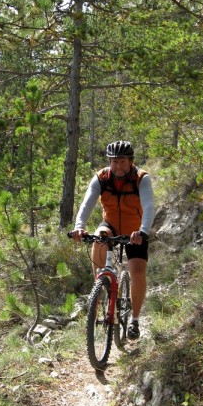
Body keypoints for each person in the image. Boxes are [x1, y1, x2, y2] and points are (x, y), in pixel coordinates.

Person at [70, 140, 155, 340]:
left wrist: (143, 231)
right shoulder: (101, 178)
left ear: (131, 162)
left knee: (137, 270)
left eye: (123, 161)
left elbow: (149, 206)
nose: (118, 166)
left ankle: (134, 319)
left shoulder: (141, 179)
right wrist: (79, 227)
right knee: (99, 238)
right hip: (111, 225)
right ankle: (100, 289)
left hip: (135, 230)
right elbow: (86, 203)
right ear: (110, 161)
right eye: (114, 161)